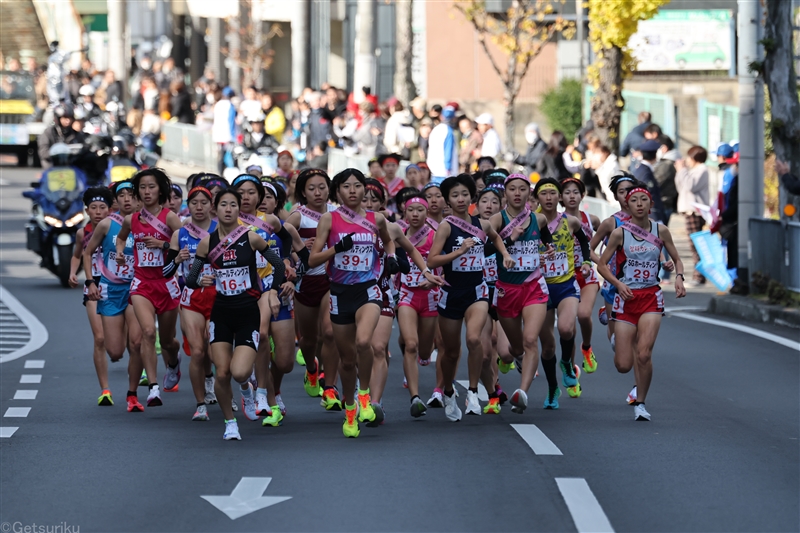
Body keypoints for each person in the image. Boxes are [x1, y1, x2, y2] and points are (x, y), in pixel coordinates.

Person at [309, 169, 438, 437]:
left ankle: (365, 396)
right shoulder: (328, 220)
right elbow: (312, 260)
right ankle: (350, 409)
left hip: (369, 290)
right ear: (338, 192)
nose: (354, 191)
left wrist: (395, 259)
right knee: (347, 361)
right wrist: (336, 249)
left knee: (364, 342)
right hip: (339, 292)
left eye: (358, 186)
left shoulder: (376, 219)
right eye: (347, 186)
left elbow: (392, 243)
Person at [184, 189, 285, 440]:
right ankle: (231, 423)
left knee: (239, 372)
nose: (228, 209)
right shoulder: (207, 242)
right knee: (221, 372)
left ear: (239, 210)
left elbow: (279, 264)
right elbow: (190, 278)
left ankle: (247, 391)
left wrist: (272, 291)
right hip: (221, 313)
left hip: (247, 312)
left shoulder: (250, 238)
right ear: (214, 210)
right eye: (223, 205)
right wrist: (202, 281)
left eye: (233, 205)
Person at [426, 174, 512, 419]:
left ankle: (473, 391)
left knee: (474, 339)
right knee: (451, 351)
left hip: (477, 290)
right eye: (455, 195)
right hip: (451, 292)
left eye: (465, 194)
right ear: (447, 200)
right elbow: (432, 261)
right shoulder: (446, 226)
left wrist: (504, 254)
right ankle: (450, 391)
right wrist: (459, 251)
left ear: (472, 196)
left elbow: (496, 237)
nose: (460, 199)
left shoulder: (482, 224)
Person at [596, 186, 686, 421]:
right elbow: (602, 265)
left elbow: (677, 258)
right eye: (633, 200)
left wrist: (678, 276)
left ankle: (641, 403)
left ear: (650, 203)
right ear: (627, 204)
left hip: (650, 298)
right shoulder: (619, 233)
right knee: (623, 365)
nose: (638, 204)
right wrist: (618, 284)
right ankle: (617, 336)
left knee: (644, 354)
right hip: (626, 299)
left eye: (643, 200)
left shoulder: (661, 230)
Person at [231, 175, 299, 421]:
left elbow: (288, 239)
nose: (246, 197)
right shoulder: (227, 222)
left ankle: (273, 388)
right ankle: (264, 395)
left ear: (259, 197)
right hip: (248, 292)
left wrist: (288, 260)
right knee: (261, 336)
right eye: (241, 192)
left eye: (251, 192)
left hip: (277, 288)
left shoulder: (269, 221)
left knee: (285, 361)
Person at [114, 169, 184, 407]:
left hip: (167, 284)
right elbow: (121, 238)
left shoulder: (170, 217)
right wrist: (121, 252)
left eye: (151, 187)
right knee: (147, 332)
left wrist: (163, 244)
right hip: (142, 283)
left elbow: (186, 242)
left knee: (168, 341)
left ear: (160, 190)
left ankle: (173, 363)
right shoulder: (131, 219)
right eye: (142, 187)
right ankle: (153, 387)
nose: (146, 192)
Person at [82, 181, 145, 411]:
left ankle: (132, 394)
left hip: (137, 288)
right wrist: (90, 282)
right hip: (110, 289)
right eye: (122, 195)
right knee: (115, 350)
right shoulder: (107, 224)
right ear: (115, 201)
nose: (127, 199)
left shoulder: (145, 223)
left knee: (136, 343)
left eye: (131, 195)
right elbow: (87, 253)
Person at [534, 178, 593, 407]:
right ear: (537, 197)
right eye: (544, 193)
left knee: (567, 328)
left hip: (566, 285)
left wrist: (586, 262)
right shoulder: (531, 223)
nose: (548, 198)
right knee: (548, 347)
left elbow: (584, 242)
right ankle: (552, 388)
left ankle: (567, 362)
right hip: (539, 288)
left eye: (552, 193)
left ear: (559, 198)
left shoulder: (570, 221)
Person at [163, 186, 218, 420]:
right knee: (197, 351)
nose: (198, 207)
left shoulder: (222, 230)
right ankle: (200, 405)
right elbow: (166, 271)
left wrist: (217, 276)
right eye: (194, 202)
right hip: (190, 297)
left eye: (203, 202)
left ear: (211, 206)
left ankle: (218, 386)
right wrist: (176, 259)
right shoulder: (180, 233)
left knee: (216, 353)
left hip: (219, 295)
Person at [284, 169, 338, 409]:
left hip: (331, 280)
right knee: (308, 339)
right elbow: (279, 247)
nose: (318, 192)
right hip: (305, 282)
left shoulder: (338, 214)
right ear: (303, 193)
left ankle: (329, 386)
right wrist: (297, 251)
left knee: (329, 332)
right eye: (312, 188)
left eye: (322, 187)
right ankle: (312, 369)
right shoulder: (298, 216)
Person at [69, 188, 110, 405]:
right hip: (92, 287)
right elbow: (76, 256)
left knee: (123, 342)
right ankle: (105, 390)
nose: (98, 212)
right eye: (93, 208)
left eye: (102, 207)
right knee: (100, 338)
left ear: (109, 209)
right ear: (87, 210)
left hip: (117, 287)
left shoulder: (117, 230)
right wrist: (72, 273)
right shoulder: (81, 233)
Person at [560, 178, 601, 374]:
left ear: (582, 195)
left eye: (575, 192)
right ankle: (572, 372)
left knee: (584, 314)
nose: (572, 196)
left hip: (586, 275)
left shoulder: (590, 219)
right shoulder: (555, 222)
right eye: (567, 192)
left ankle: (587, 347)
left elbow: (595, 244)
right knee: (569, 329)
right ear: (561, 197)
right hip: (565, 277)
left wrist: (603, 263)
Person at [674, 145, 710, 285]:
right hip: (689, 212)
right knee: (693, 245)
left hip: (695, 212)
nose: (687, 160)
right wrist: (680, 171)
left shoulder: (702, 170)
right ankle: (698, 275)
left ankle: (699, 276)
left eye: (689, 157)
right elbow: (681, 186)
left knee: (696, 245)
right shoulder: (693, 171)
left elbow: (690, 186)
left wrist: (682, 170)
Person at [38, 104, 85, 168]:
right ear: (58, 118)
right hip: (53, 167)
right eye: (65, 117)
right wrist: (59, 153)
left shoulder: (76, 134)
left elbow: (83, 149)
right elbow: (43, 152)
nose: (68, 121)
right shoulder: (49, 133)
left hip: (71, 168)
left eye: (70, 118)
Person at [633, 139, 667, 224]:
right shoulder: (645, 172)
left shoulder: (642, 169)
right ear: (655, 155)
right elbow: (648, 194)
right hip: (651, 216)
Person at [427, 105, 459, 181]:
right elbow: (448, 150)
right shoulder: (449, 131)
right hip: (445, 172)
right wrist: (448, 168)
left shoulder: (436, 129)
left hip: (434, 170)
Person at [212, 87, 237, 173]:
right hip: (228, 135)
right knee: (228, 155)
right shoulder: (230, 105)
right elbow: (231, 121)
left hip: (218, 135)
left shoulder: (218, 104)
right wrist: (233, 136)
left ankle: (220, 172)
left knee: (220, 155)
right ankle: (228, 172)